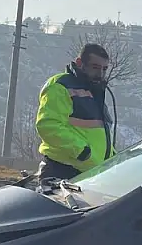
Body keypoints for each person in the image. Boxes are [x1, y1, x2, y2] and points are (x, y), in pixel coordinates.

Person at [35, 43, 115, 179]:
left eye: (104, 69)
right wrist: (81, 151)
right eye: (95, 67)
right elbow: (48, 125)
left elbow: (98, 136)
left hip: (88, 173)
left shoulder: (94, 92)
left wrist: (114, 158)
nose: (100, 74)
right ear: (79, 63)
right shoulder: (61, 85)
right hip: (62, 171)